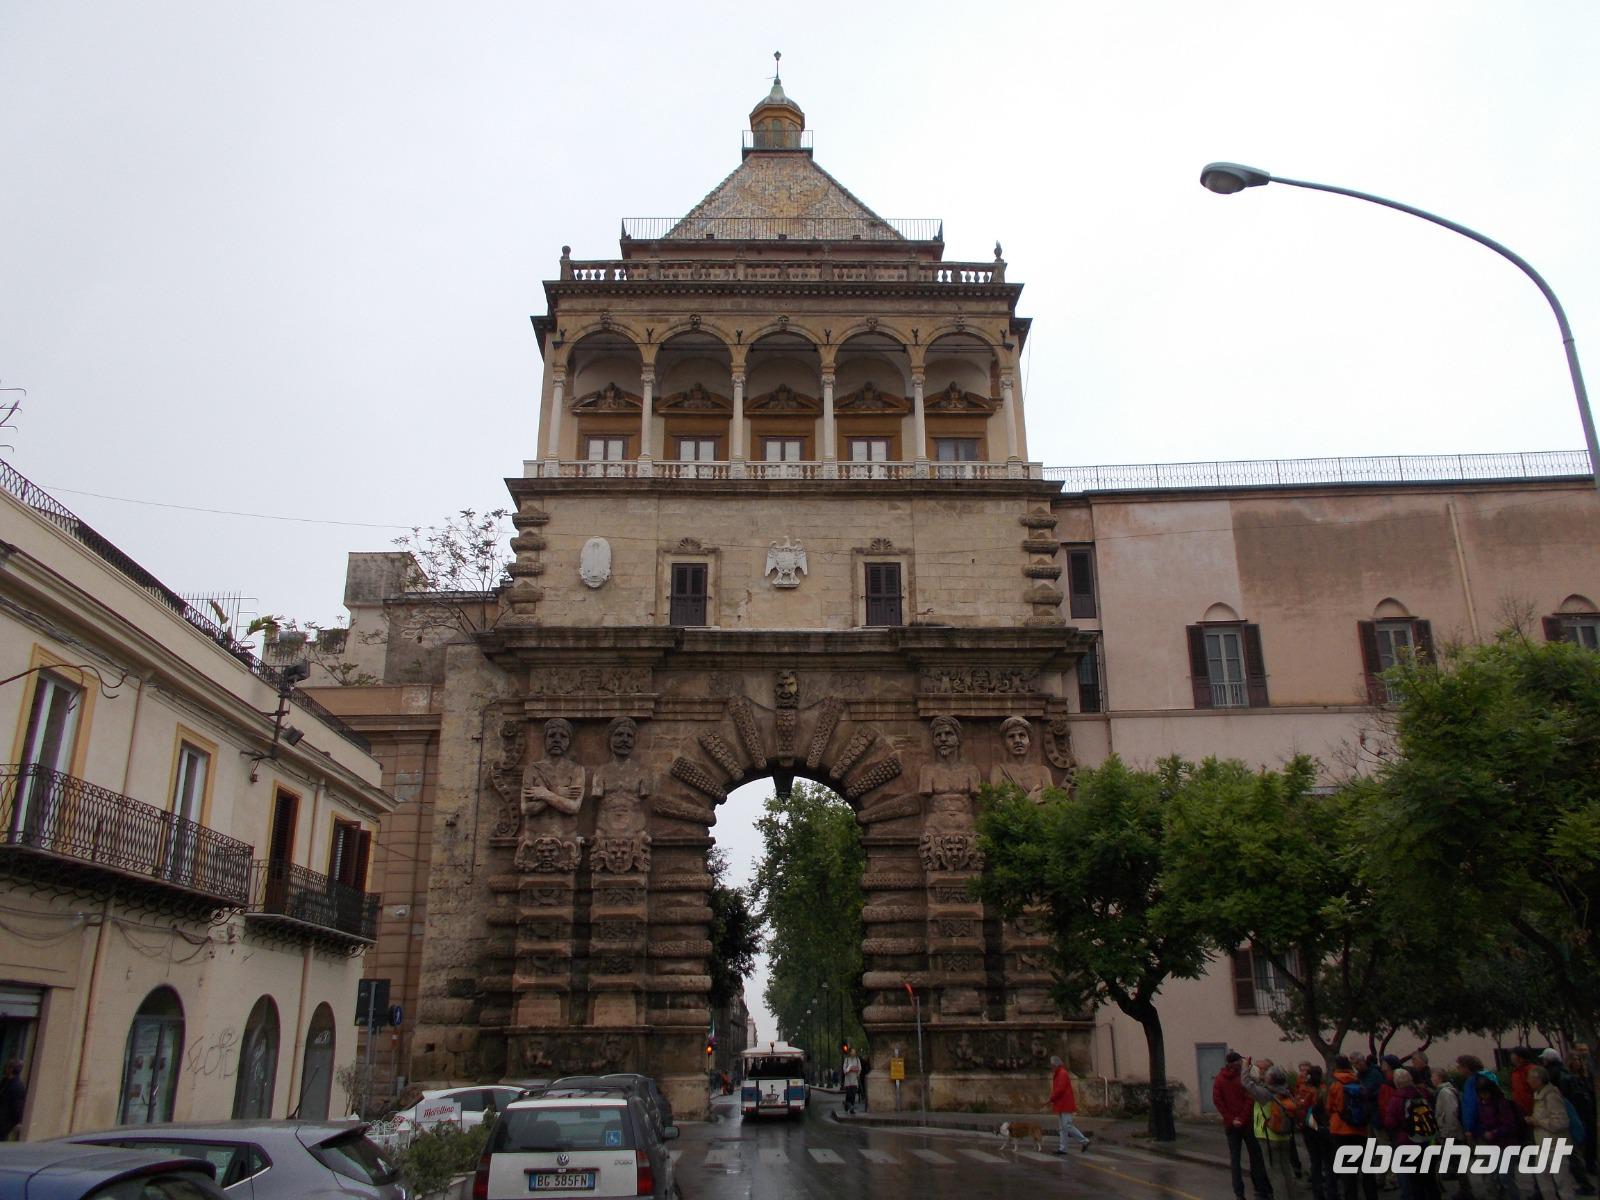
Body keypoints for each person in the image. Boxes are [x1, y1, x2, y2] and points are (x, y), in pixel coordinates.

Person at [1217, 1051, 1274, 1199]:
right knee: (1255, 1156)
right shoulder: (1243, 1078)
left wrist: (1230, 1118)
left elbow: (1219, 1101)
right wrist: (1242, 1118)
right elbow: (1250, 1098)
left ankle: (1239, 1192)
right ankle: (1261, 1187)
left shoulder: (1220, 1079)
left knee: (1235, 1159)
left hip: (1231, 1125)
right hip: (1247, 1123)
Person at [1245, 1063, 1303, 1198]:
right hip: (1285, 1135)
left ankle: (1281, 1197)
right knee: (1286, 1168)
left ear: (1270, 1080)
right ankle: (1292, 1195)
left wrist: (1245, 1069)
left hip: (1269, 1134)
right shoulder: (1286, 1092)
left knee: (1275, 1172)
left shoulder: (1265, 1093)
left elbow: (1246, 1083)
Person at [1382, 1068, 1440, 1200]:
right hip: (1428, 1139)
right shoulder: (1423, 1093)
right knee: (1430, 1178)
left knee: (1415, 1180)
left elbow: (1389, 1122)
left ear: (1396, 1083)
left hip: (1408, 1141)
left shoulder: (1396, 1099)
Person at [1330, 1054, 1379, 1200]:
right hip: (1360, 1128)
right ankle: (1372, 1195)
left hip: (1340, 1129)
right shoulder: (1358, 1081)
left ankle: (1351, 1196)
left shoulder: (1335, 1085)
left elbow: (1329, 1107)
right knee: (1366, 1168)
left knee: (1347, 1170)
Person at [1529, 1066, 1574, 1200]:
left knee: (1562, 1182)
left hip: (1554, 1145)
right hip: (1542, 1144)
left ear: (1538, 1080)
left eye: (1530, 1079)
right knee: (1545, 1183)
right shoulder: (1538, 1095)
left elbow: (1561, 1122)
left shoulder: (1551, 1095)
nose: (1528, 1081)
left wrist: (1538, 1122)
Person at [1300, 1064, 1336, 1200]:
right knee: (1328, 1162)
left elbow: (1299, 1107)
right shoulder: (1323, 1090)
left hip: (1308, 1127)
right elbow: (1328, 1109)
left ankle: (1318, 1192)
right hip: (1322, 1127)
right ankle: (1332, 1193)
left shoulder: (1303, 1089)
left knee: (1315, 1161)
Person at [1050, 1055, 1091, 1154]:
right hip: (1062, 1103)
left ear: (1056, 1064)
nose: (1051, 1067)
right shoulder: (1059, 1073)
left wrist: (1052, 1098)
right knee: (1063, 1127)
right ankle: (1063, 1148)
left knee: (1067, 1125)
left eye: (1052, 1065)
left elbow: (1060, 1089)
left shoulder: (1062, 1073)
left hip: (1065, 1103)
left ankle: (1084, 1141)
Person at [0, 1060, 24, 1141]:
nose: (4, 1069)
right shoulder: (5, 1082)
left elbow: (17, 1106)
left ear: (11, 1069)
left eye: (6, 1067)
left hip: (4, 1121)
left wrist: (18, 1121)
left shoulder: (17, 1086)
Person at [842, 1048, 863, 1114]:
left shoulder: (857, 1060)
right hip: (848, 1081)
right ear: (850, 1053)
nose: (854, 1053)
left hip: (854, 1080)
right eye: (852, 1052)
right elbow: (844, 1069)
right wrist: (849, 1069)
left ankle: (852, 1108)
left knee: (853, 1095)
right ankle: (847, 1104)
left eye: (854, 1052)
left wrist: (857, 1073)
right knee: (849, 1095)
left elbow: (859, 1069)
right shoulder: (847, 1060)